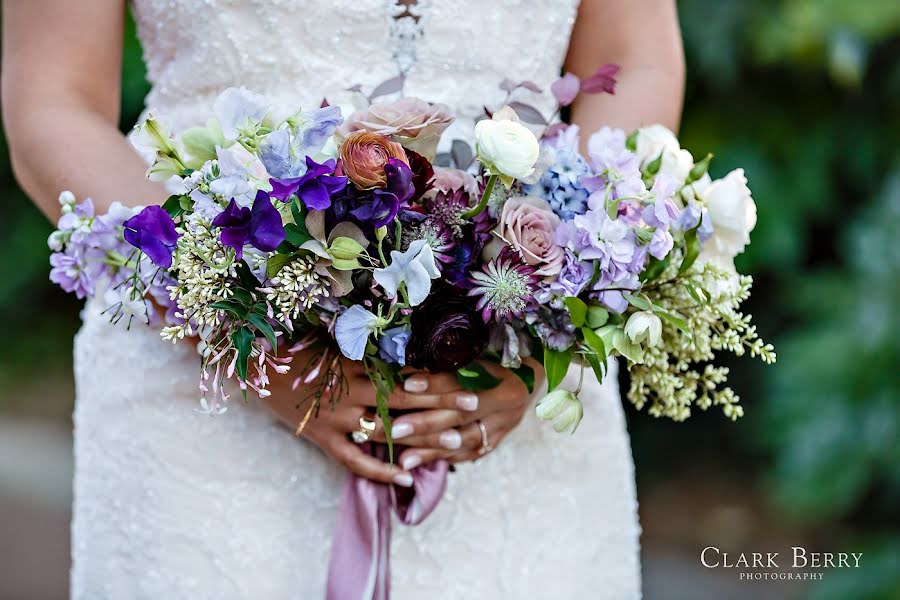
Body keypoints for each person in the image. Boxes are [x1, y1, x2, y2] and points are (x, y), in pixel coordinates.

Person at [1, 1, 684, 598]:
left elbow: (633, 61)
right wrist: (235, 328)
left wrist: (544, 328)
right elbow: (53, 103)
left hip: (523, 420)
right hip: (204, 416)